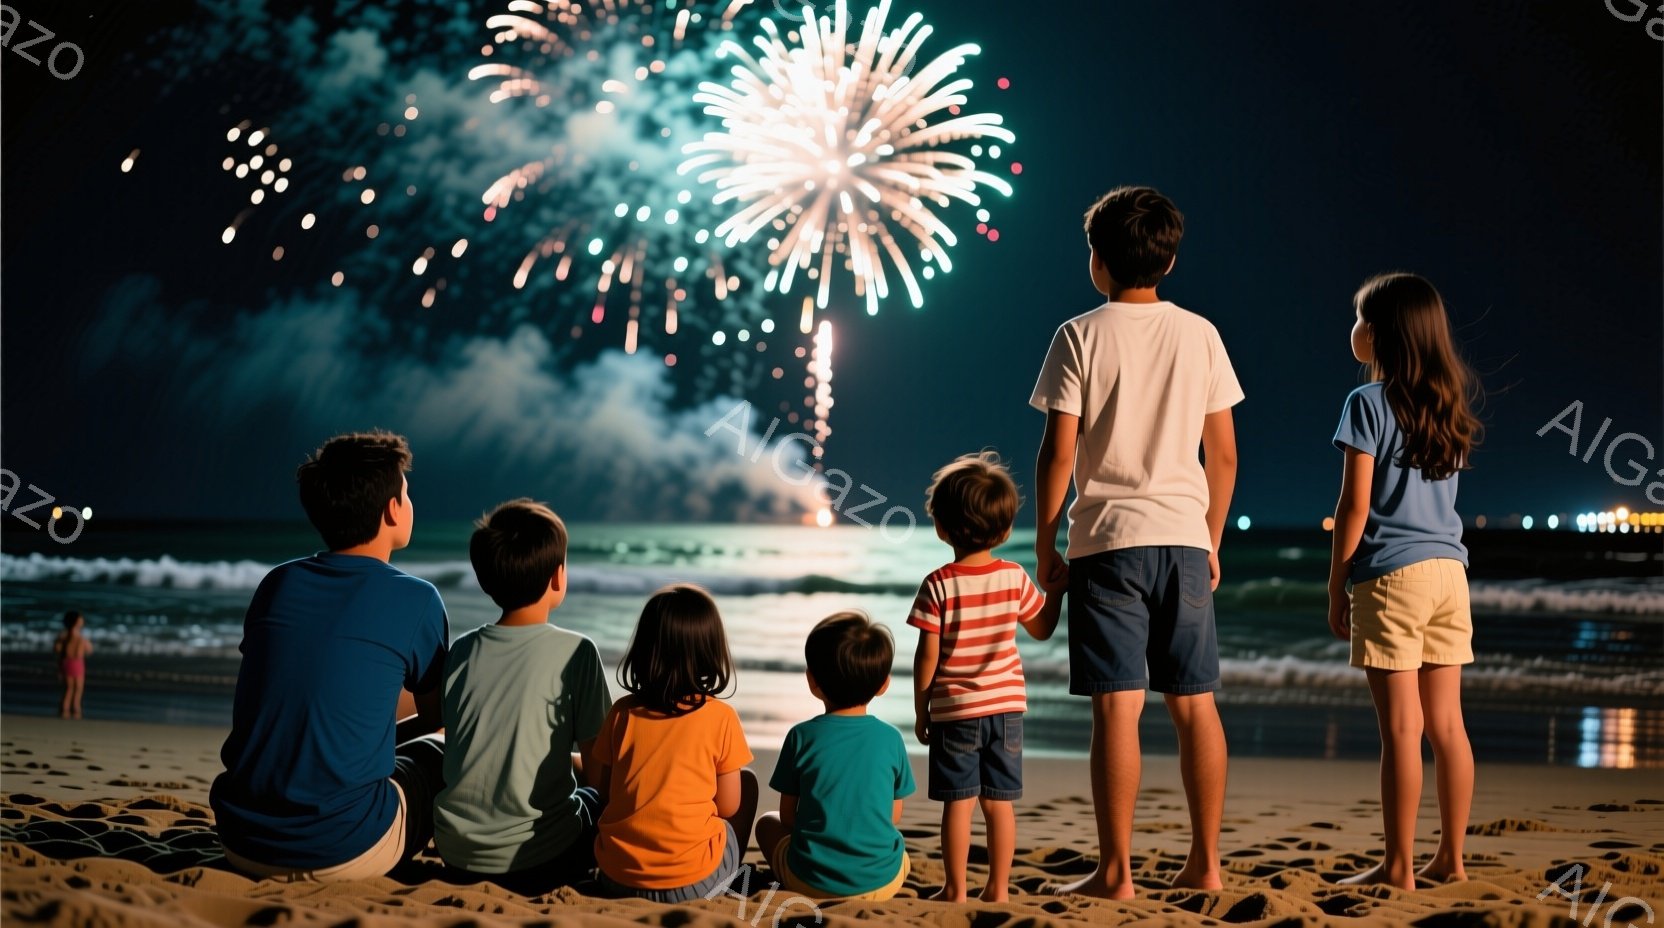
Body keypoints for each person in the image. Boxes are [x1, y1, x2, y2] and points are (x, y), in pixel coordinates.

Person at [1030, 185, 1243, 898]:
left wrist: (1044, 542)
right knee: (1195, 704)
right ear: (1171, 259)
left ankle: (1115, 873)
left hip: (1107, 542)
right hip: (1182, 539)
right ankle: (1207, 865)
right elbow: (1225, 455)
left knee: (1116, 707)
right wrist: (1211, 540)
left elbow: (1059, 453)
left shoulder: (1079, 335)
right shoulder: (1202, 333)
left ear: (1097, 261)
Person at [210, 430, 449, 882]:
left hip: (240, 839)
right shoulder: (417, 599)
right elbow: (439, 717)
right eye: (406, 492)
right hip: (347, 849)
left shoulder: (276, 585)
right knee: (440, 750)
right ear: (393, 509)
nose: (410, 502)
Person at [1328, 272, 1480, 891]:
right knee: (1448, 726)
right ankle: (1451, 858)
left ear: (1383, 332)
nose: (1354, 328)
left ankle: (1397, 866)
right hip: (1450, 572)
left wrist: (1337, 583)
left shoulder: (1367, 403)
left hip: (1391, 575)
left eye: (1361, 317)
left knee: (1400, 730)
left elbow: (1354, 508)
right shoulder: (1448, 402)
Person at [433, 499, 612, 894]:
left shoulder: (462, 650)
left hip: (456, 853)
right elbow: (601, 775)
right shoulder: (577, 652)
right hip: (542, 860)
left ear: (484, 579)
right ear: (557, 577)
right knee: (597, 802)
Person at [909, 451, 1064, 902]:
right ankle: (997, 889)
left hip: (956, 712)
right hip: (1007, 710)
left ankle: (955, 889)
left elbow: (926, 658)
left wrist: (923, 710)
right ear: (1007, 528)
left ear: (941, 527)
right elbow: (1042, 629)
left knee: (957, 805)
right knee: (999, 805)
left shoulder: (938, 584)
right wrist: (1055, 592)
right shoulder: (1014, 578)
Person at [590, 584, 758, 902]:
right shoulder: (721, 717)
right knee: (745, 785)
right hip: (692, 884)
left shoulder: (622, 712)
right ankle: (731, 877)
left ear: (644, 648)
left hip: (617, 880)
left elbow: (606, 791)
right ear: (711, 650)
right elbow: (728, 806)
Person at [757, 611, 915, 901]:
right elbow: (893, 816)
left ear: (813, 681)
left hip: (809, 883)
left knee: (767, 823)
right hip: (882, 884)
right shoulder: (891, 739)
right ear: (884, 684)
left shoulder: (801, 736)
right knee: (899, 849)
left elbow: (790, 817)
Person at [53, 610, 91, 719]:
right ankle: (67, 709)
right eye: (80, 620)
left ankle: (75, 708)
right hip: (69, 662)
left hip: (77, 663)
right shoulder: (67, 636)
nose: (82, 621)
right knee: (70, 688)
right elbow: (58, 649)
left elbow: (88, 649)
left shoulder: (78, 636)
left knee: (77, 688)